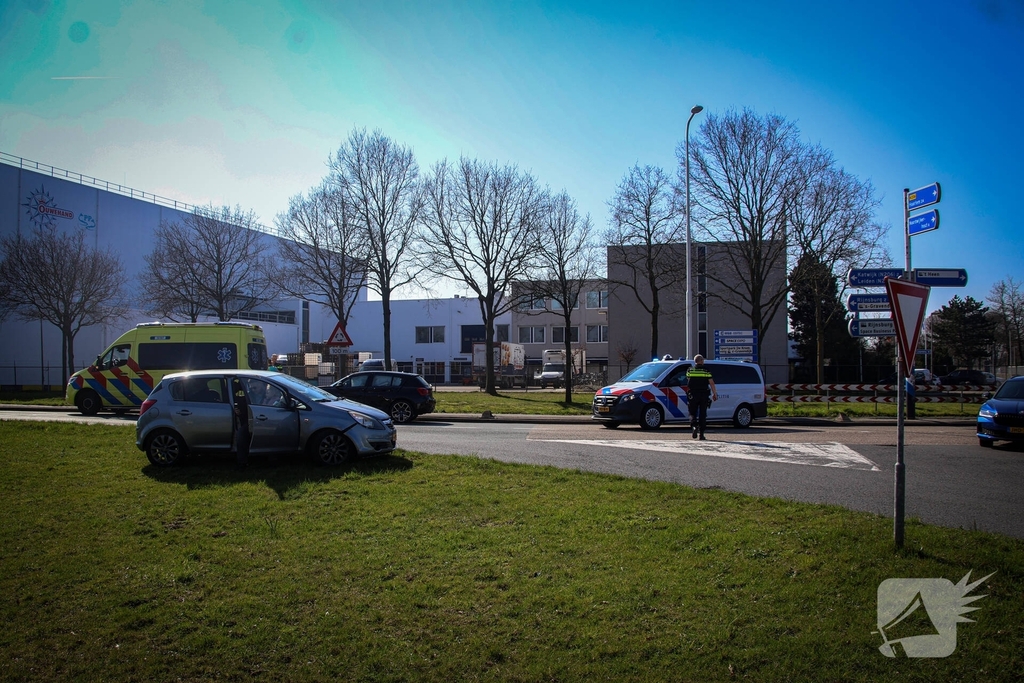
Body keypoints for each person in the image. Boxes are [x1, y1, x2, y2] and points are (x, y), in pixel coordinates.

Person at [685, 355, 718, 440]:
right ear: (702, 361)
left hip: (693, 394)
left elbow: (688, 379)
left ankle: (694, 427)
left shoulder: (690, 370)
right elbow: (711, 383)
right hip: (704, 394)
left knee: (692, 413)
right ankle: (702, 434)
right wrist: (715, 393)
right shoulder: (706, 370)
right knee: (702, 414)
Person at [232, 377, 252, 468]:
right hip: (247, 423)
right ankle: (242, 462)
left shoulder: (252, 396)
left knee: (241, 434)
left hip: (252, 422)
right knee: (241, 434)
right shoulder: (242, 399)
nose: (251, 387)